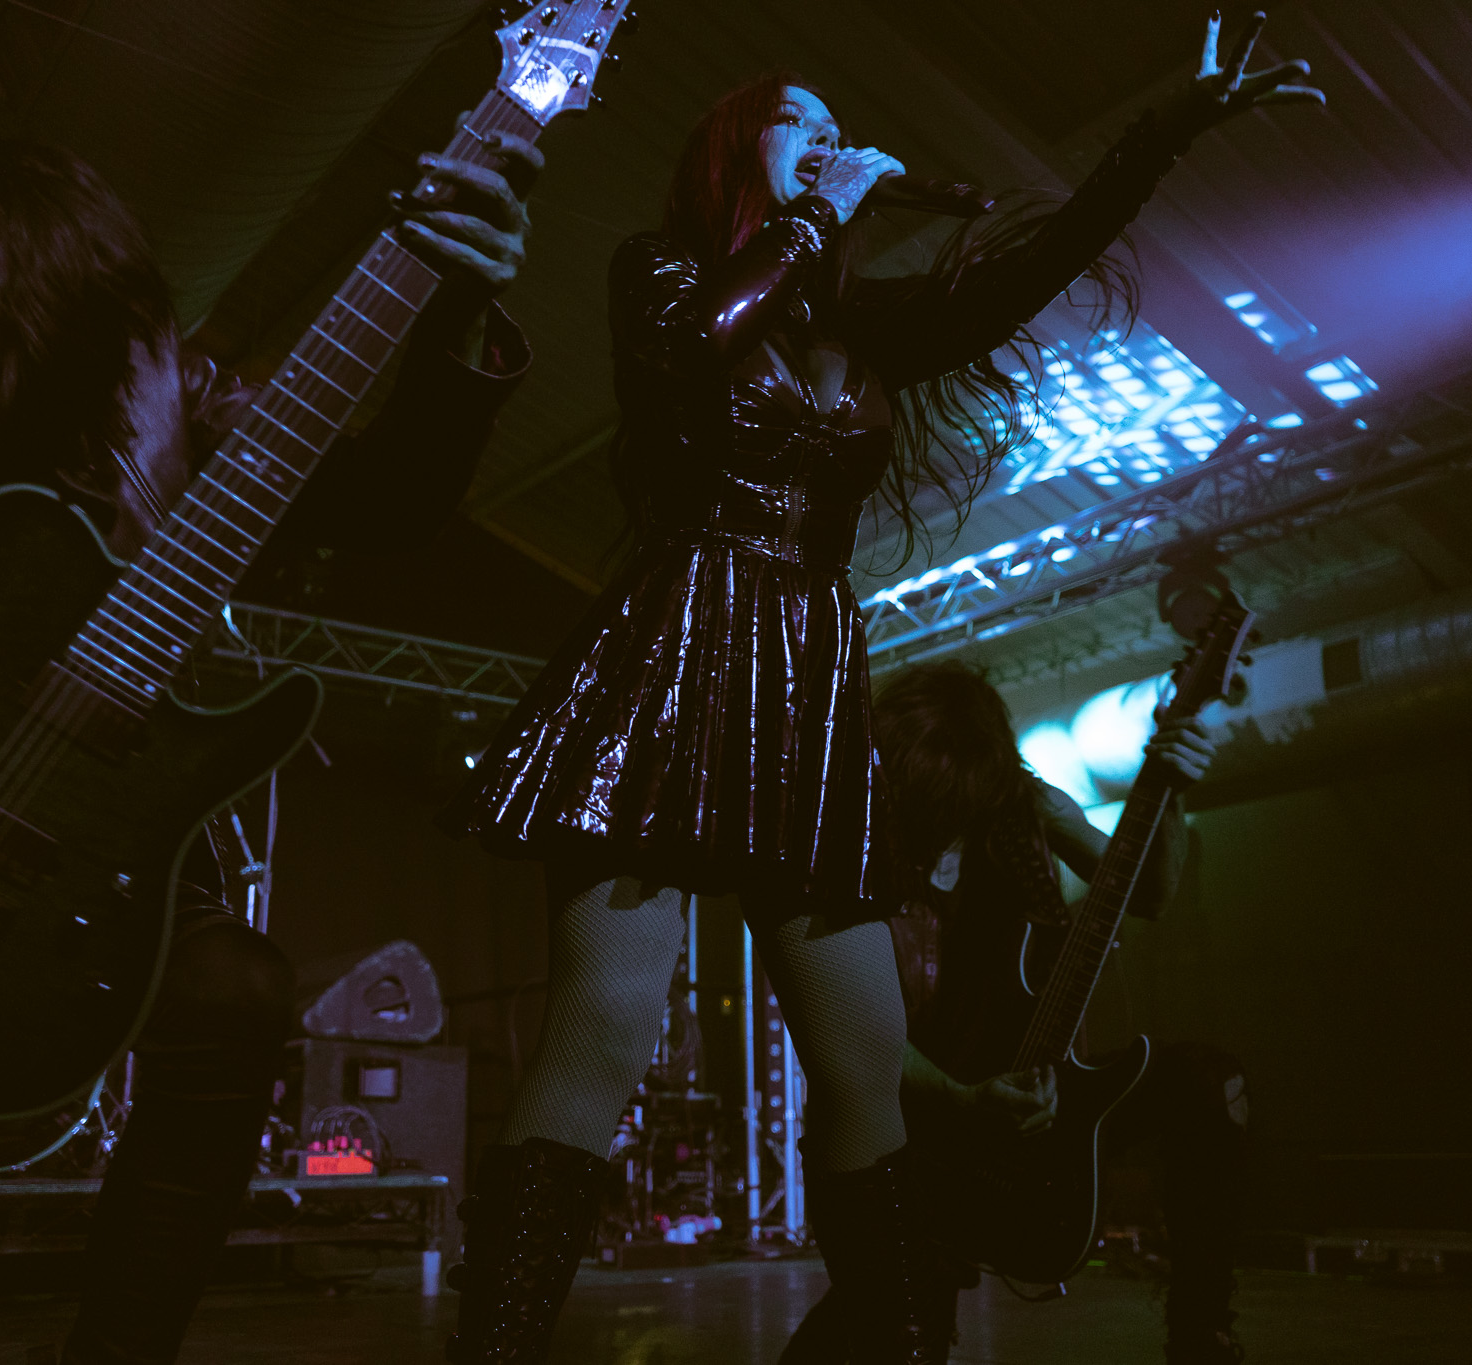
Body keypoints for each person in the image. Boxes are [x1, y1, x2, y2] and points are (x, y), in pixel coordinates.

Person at [441, 12, 1321, 1362]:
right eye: (801, 122)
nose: (830, 137)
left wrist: (1158, 138)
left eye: (837, 128)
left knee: (866, 1064)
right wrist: (820, 216)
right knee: (603, 1033)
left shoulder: (858, 325)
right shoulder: (659, 267)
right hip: (677, 647)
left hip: (805, 673)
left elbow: (1031, 271)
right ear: (737, 149)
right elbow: (696, 345)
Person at [0, 109, 538, 1364]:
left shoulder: (132, 379)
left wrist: (454, 313)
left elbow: (383, 503)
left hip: (62, 802)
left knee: (233, 994)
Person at [781, 659, 1248, 1365]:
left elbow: (1149, 891)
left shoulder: (1023, 805)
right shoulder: (843, 842)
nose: (938, 824)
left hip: (1031, 1094)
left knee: (1211, 1082)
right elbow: (847, 1026)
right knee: (896, 1331)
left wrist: (1170, 790)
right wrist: (964, 1100)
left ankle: (1202, 1331)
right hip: (908, 1126)